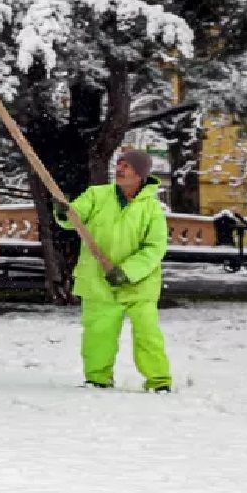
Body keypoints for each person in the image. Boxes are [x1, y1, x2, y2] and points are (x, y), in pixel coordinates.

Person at [56, 147, 173, 391]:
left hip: (138, 284)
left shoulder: (151, 209)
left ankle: (159, 381)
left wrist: (126, 272)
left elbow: (154, 248)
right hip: (98, 280)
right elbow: (72, 218)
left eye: (126, 166)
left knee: (147, 334)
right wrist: (63, 211)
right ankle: (97, 379)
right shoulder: (97, 196)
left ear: (140, 174)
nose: (119, 169)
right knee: (98, 334)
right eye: (118, 164)